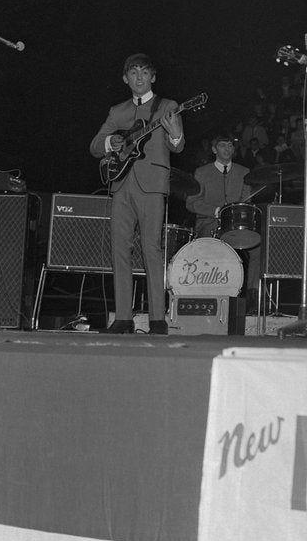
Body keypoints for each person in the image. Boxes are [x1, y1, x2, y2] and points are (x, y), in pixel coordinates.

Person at [90, 53, 184, 334]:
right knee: (119, 250)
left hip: (152, 185)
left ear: (153, 77)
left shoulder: (167, 106)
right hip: (121, 185)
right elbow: (95, 146)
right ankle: (123, 318)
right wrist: (111, 141)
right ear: (125, 79)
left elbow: (177, 146)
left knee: (151, 249)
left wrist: (176, 134)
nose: (139, 77)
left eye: (144, 72)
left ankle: (157, 319)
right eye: (133, 73)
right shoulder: (117, 111)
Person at [186, 133, 259, 298]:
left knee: (257, 247)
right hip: (208, 223)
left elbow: (247, 200)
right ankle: (208, 292)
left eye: (230, 145)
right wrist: (216, 211)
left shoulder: (244, 172)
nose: (227, 149)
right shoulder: (201, 172)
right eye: (222, 145)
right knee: (210, 243)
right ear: (213, 149)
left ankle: (252, 294)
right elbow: (192, 203)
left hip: (235, 226)